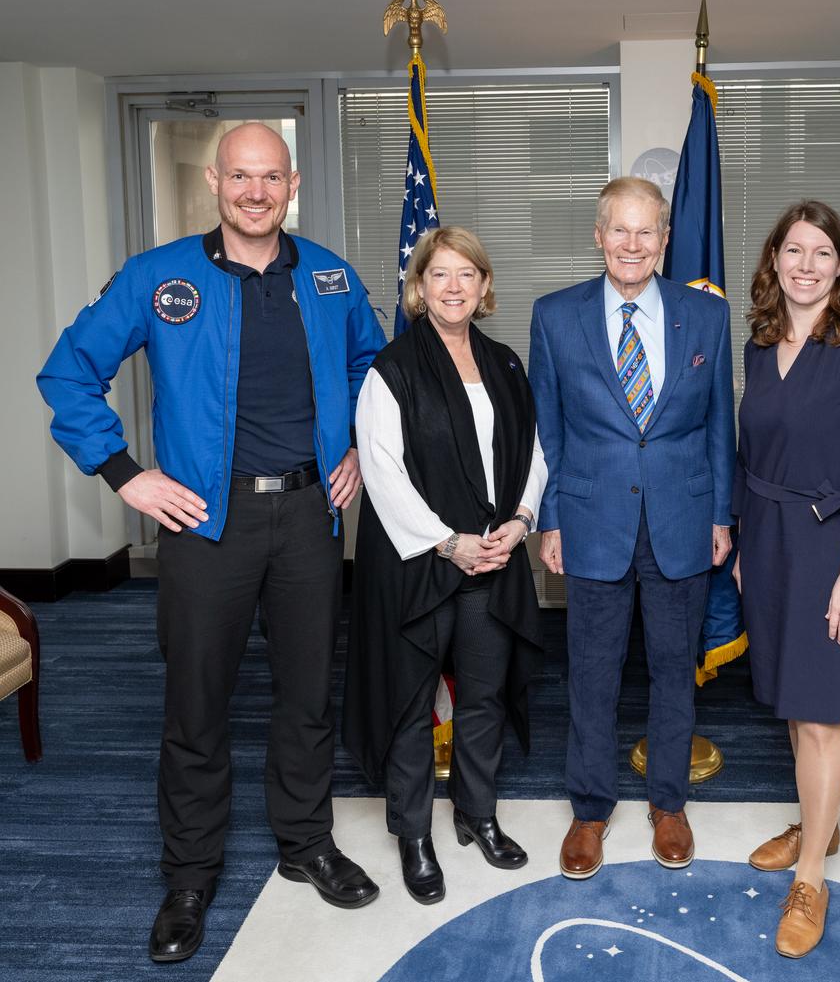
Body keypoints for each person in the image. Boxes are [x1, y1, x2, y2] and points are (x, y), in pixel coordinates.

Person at [37, 122, 387, 962]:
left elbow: (373, 370)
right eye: (241, 177)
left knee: (308, 696)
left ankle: (305, 844)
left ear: (293, 182)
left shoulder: (331, 275)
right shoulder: (160, 277)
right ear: (214, 181)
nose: (256, 192)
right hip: (203, 523)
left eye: (271, 177)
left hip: (309, 518)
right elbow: (67, 371)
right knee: (197, 705)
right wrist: (126, 474)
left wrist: (356, 457)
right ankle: (190, 873)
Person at [528, 176, 735, 880]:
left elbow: (717, 426)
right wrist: (549, 518)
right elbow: (546, 430)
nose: (633, 244)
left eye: (647, 231)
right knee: (592, 672)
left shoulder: (705, 316)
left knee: (677, 668)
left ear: (666, 239)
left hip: (682, 515)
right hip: (590, 519)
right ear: (598, 234)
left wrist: (718, 514)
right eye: (620, 229)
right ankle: (590, 809)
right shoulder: (555, 316)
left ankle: (668, 802)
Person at [342, 226, 546, 904]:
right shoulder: (392, 368)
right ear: (419, 287)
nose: (454, 287)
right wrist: (447, 540)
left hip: (495, 558)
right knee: (409, 703)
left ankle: (477, 813)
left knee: (484, 693)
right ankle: (414, 834)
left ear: (485, 286)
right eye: (440, 275)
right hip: (420, 565)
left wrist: (519, 523)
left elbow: (534, 454)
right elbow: (381, 470)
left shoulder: (507, 363)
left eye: (467, 274)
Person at [732, 201, 840, 957]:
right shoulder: (759, 344)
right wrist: (741, 542)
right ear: (774, 261)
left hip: (836, 544)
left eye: (821, 253)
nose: (806, 265)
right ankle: (819, 821)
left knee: (823, 710)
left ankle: (811, 873)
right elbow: (749, 454)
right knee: (795, 704)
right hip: (768, 541)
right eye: (793, 251)